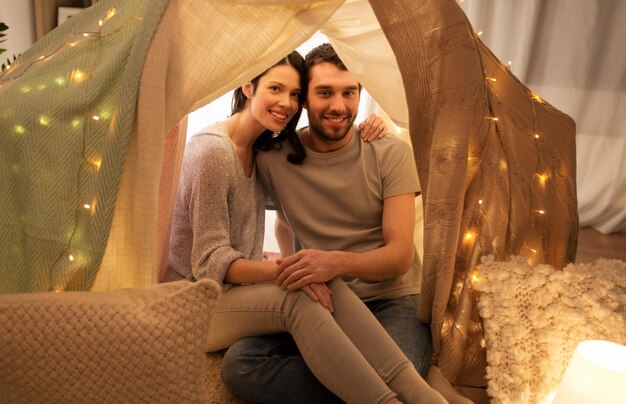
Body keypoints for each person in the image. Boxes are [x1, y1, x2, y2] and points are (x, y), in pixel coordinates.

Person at [165, 50, 446, 404]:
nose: (286, 102)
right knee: (255, 350)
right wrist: (292, 268)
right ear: (247, 86)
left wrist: (316, 264)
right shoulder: (230, 153)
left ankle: (418, 396)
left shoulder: (265, 151)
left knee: (320, 279)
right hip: (200, 298)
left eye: (293, 94)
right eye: (277, 89)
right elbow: (210, 260)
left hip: (386, 299)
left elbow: (287, 220)